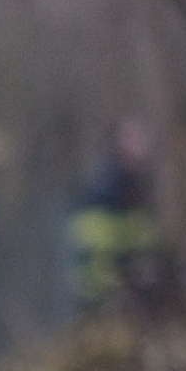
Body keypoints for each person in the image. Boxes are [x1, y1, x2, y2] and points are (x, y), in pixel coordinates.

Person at [65, 119, 159, 312]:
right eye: (135, 140)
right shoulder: (109, 184)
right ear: (121, 145)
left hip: (120, 277)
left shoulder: (133, 181)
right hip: (103, 283)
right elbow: (99, 236)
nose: (142, 146)